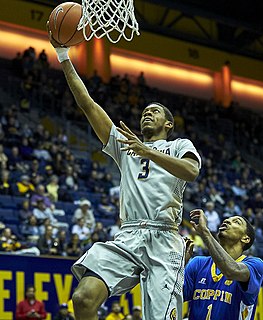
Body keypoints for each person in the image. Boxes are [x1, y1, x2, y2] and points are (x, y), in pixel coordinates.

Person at [47, 24, 201, 320]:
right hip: (129, 234)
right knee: (83, 299)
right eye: (145, 110)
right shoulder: (127, 145)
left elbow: (191, 171)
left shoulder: (180, 144)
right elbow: (87, 104)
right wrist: (63, 54)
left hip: (165, 239)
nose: (147, 112)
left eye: (155, 111)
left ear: (168, 125)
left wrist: (147, 151)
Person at [184, 209, 263, 320]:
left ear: (246, 239)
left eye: (236, 222)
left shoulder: (255, 265)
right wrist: (180, 267)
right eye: (227, 219)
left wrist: (205, 233)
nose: (227, 221)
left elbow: (231, 271)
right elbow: (175, 295)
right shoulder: (198, 263)